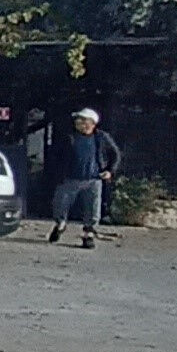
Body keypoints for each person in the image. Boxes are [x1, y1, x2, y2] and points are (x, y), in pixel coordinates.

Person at [48, 107, 121, 250]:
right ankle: (60, 224)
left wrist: (110, 171)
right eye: (78, 121)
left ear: (92, 123)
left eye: (83, 120)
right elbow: (56, 155)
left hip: (93, 179)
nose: (80, 123)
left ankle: (88, 235)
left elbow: (115, 154)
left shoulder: (101, 137)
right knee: (60, 204)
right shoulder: (70, 137)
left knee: (93, 209)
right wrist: (58, 173)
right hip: (70, 179)